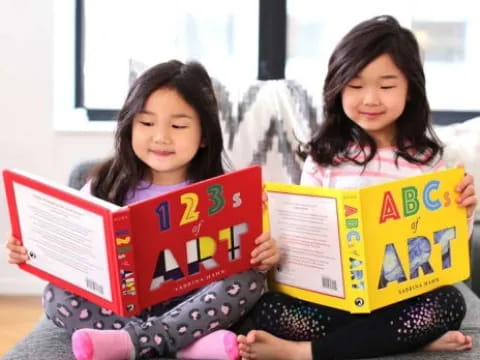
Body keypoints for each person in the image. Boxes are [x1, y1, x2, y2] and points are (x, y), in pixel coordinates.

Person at [237, 15, 477, 360]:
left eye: (387, 85)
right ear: (338, 87)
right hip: (335, 299)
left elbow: (445, 253)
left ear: (410, 90)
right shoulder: (324, 159)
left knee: (448, 303)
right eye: (356, 84)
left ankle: (304, 353)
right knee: (265, 309)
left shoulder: (429, 161)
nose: (370, 98)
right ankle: (402, 337)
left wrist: (463, 212)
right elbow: (304, 242)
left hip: (402, 295)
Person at [6, 60, 279, 360]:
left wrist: (263, 255)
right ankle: (183, 346)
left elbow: (249, 252)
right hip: (125, 305)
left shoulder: (225, 191)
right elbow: (73, 251)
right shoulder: (105, 185)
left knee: (249, 279)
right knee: (55, 295)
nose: (161, 137)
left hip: (193, 301)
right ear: (129, 126)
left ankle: (134, 341)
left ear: (204, 136)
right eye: (147, 123)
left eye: (178, 126)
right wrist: (35, 251)